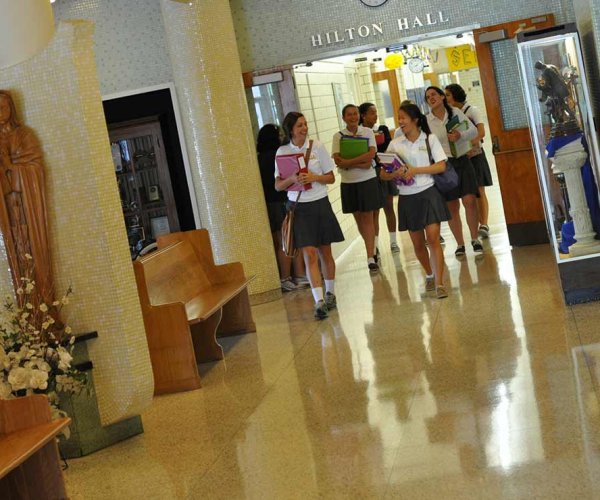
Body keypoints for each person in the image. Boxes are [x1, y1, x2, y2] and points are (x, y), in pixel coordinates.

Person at [275, 112, 344, 320]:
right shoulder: (282, 151)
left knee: (325, 252)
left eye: (305, 124)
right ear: (290, 130)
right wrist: (292, 178)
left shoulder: (317, 147)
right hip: (299, 208)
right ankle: (318, 301)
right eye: (299, 126)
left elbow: (331, 177)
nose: (304, 129)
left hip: (320, 204)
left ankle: (330, 292)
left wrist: (313, 177)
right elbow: (278, 185)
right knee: (309, 254)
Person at [382, 103, 450, 299]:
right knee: (418, 245)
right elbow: (383, 174)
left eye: (403, 117)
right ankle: (429, 273)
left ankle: (439, 282)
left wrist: (416, 171)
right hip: (407, 197)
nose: (400, 121)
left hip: (429, 193)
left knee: (433, 238)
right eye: (399, 118)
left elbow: (441, 166)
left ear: (415, 120)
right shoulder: (395, 144)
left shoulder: (429, 139)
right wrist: (394, 173)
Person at [0, 90, 54, 308]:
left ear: (12, 108)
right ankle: (27, 309)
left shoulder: (25, 135)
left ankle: (46, 307)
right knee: (19, 256)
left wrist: (12, 167)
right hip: (9, 212)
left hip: (28, 208)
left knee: (35, 255)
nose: (0, 112)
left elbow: (36, 169)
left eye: (3, 106)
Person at [425, 86, 482, 256]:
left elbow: (473, 131)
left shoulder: (455, 112)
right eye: (428, 97)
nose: (431, 98)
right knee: (452, 206)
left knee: (469, 200)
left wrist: (460, 135)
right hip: (444, 165)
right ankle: (460, 244)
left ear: (442, 97)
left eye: (434, 94)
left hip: (462, 160)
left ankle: (474, 239)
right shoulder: (427, 121)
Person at [257, 124, 309, 292]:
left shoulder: (258, 158)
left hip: (270, 204)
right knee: (287, 241)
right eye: (279, 134)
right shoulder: (277, 156)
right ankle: (290, 276)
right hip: (281, 202)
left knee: (284, 240)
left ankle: (293, 276)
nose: (282, 137)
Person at [332, 104, 382, 273]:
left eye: (355, 114)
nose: (352, 117)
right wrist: (360, 164)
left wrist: (349, 163)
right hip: (348, 183)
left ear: (359, 116)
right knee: (359, 219)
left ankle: (370, 256)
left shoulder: (367, 133)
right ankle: (373, 247)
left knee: (368, 217)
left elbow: (371, 154)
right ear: (343, 118)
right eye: (349, 115)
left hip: (367, 180)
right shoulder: (338, 136)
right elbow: (338, 160)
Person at [444, 84, 494, 239]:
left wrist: (469, 142)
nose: (445, 99)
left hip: (475, 155)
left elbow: (481, 132)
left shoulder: (472, 110)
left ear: (456, 96)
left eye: (448, 95)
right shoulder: (449, 114)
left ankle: (484, 224)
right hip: (461, 158)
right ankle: (477, 224)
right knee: (470, 193)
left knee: (479, 190)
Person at [358, 102, 400, 255]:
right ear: (363, 116)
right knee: (374, 211)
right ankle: (374, 246)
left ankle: (393, 241)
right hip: (369, 173)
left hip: (384, 170)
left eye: (376, 112)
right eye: (372, 113)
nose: (375, 116)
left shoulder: (382, 129)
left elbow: (387, 149)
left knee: (389, 206)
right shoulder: (359, 133)